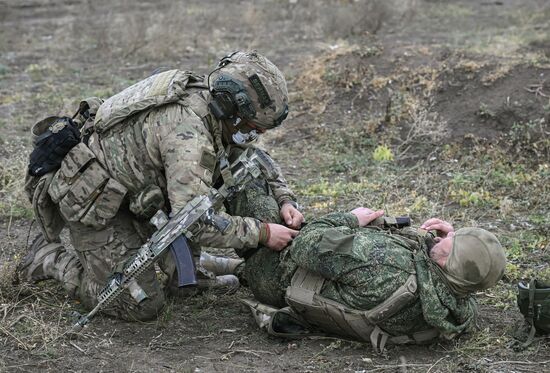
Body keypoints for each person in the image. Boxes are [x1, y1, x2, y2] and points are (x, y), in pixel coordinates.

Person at [18, 51, 304, 321]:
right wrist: (263, 233)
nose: (254, 136)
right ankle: (49, 259)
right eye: (253, 128)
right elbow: (194, 223)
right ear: (232, 108)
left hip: (139, 194)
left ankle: (196, 267)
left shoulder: (209, 104)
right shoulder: (188, 138)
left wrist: (284, 199)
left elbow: (253, 158)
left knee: (184, 282)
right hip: (98, 207)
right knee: (140, 303)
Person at [241, 208, 506, 351]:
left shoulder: (386, 263)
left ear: (447, 261)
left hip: (275, 273)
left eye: (452, 241)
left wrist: (351, 218)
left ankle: (216, 264)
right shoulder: (455, 306)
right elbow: (466, 287)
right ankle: (228, 269)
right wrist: (448, 243)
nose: (446, 235)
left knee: (252, 187)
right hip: (320, 289)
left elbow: (305, 244)